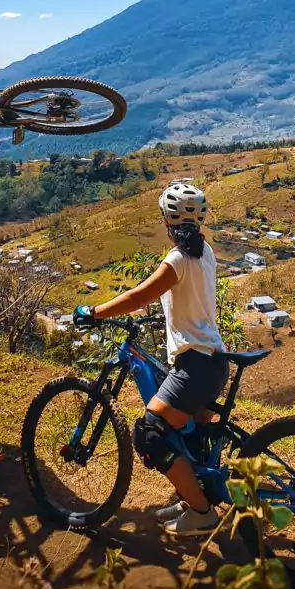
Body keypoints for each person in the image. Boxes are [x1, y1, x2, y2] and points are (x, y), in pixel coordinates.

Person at [73, 182, 228, 537]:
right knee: (190, 438)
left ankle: (202, 513)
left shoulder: (177, 260)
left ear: (165, 219)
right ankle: (192, 499)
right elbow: (191, 300)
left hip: (196, 366)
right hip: (214, 360)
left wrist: (94, 311)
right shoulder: (205, 253)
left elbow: (138, 296)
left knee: (150, 433)